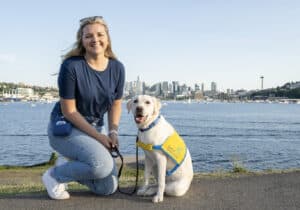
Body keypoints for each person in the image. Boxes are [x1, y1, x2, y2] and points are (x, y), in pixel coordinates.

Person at [42, 16, 125, 200]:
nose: (95, 39)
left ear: (107, 38)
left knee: (107, 187)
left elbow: (116, 103)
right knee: (101, 166)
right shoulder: (71, 67)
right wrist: (100, 137)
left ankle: (71, 164)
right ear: (82, 40)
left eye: (99, 34)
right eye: (88, 36)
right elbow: (69, 111)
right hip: (67, 127)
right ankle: (55, 175)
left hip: (95, 127)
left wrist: (113, 132)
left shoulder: (117, 68)